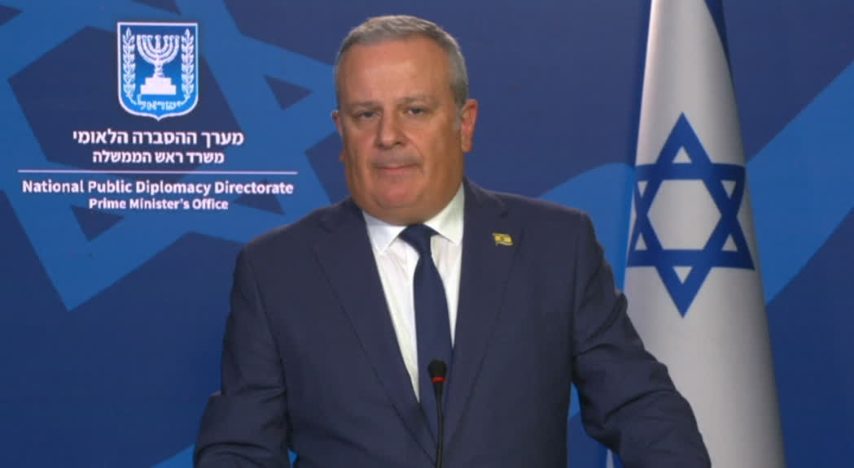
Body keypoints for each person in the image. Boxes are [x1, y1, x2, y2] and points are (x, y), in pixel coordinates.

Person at [195, 15, 710, 468]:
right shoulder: (277, 269)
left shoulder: (556, 247)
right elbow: (240, 448)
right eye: (366, 114)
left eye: (414, 110)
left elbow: (640, 409)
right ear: (341, 131)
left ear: (465, 124)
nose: (388, 136)